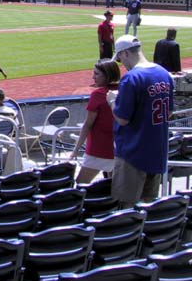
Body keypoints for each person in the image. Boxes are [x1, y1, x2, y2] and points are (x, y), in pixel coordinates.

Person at [110, 35, 172, 207]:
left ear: (126, 53)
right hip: (157, 150)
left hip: (133, 152)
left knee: (126, 207)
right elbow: (169, 112)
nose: (121, 62)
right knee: (149, 206)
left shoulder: (131, 78)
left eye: (120, 57)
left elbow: (122, 119)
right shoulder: (163, 73)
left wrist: (111, 102)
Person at [70, 59, 120, 184]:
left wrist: (76, 149)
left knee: (81, 185)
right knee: (113, 189)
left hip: (98, 149)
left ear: (107, 75)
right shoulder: (123, 91)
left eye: (97, 74)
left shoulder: (98, 94)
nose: (93, 77)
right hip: (119, 148)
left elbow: (88, 124)